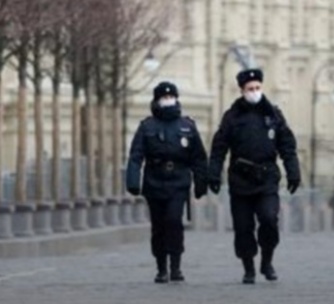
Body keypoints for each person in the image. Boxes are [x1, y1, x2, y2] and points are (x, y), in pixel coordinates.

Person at [208, 67, 300, 284]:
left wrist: (293, 172)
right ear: (242, 91)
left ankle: (267, 260)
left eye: (258, 87)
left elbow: (287, 146)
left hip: (267, 179)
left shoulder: (273, 114)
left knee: (269, 219)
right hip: (240, 180)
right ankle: (248, 267)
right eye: (250, 89)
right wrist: (213, 174)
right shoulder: (232, 117)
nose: (255, 92)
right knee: (243, 227)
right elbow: (219, 148)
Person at [126, 81, 208, 283]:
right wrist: (133, 181)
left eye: (171, 97)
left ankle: (176, 266)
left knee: (174, 221)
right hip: (154, 182)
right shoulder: (147, 126)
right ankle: (161, 267)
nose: (168, 100)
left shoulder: (187, 126)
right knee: (159, 226)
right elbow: (136, 156)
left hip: (178, 182)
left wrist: (201, 182)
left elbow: (198, 157)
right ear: (157, 100)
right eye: (164, 97)